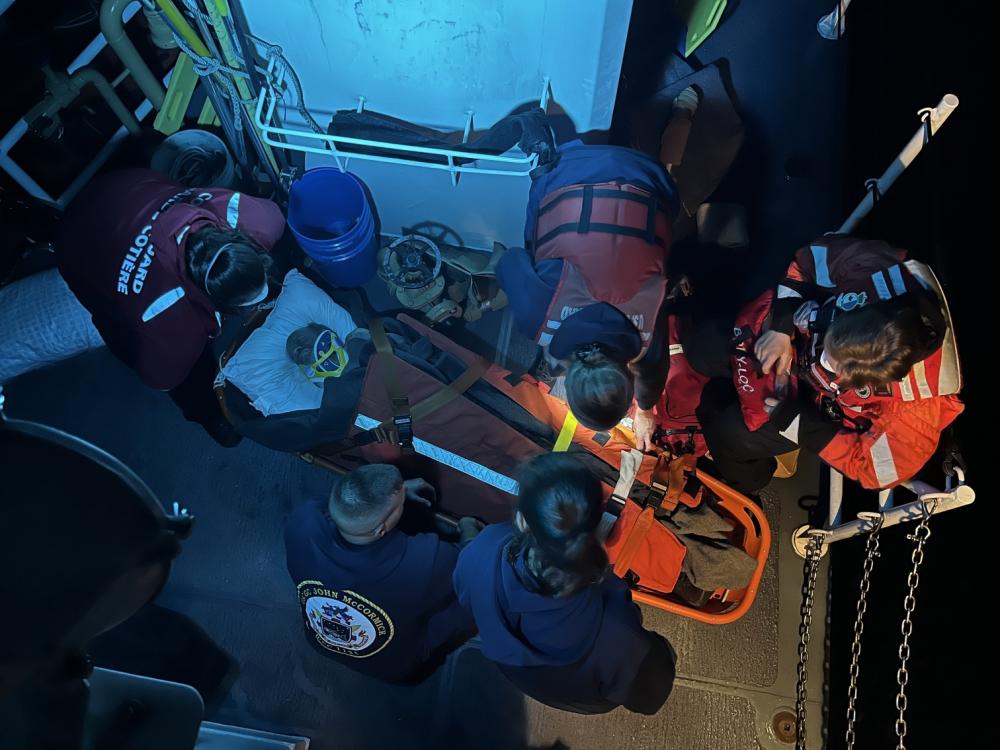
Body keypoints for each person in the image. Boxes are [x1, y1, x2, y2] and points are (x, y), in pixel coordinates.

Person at [693, 236, 963, 493]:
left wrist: (801, 424)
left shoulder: (917, 411)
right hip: (794, 341)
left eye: (836, 364)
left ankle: (759, 474)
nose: (828, 362)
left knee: (728, 436)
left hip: (817, 410)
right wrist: (782, 328)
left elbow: (877, 471)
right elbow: (806, 260)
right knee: (701, 346)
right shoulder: (872, 269)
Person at [56, 168, 286, 445]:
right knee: (181, 368)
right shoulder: (166, 312)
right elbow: (161, 378)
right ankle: (210, 415)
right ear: (216, 304)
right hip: (80, 242)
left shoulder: (255, 219)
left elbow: (274, 214)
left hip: (126, 184)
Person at [453, 453, 676, 714]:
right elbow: (650, 698)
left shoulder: (480, 550)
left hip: (522, 674)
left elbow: (466, 590)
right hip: (586, 694)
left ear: (523, 520)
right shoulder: (618, 630)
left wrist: (470, 536)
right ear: (599, 523)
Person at [496, 141, 679, 449]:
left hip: (652, 178)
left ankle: (682, 114)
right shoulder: (536, 319)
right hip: (567, 169)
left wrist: (646, 410)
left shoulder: (646, 340)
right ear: (568, 382)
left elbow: (654, 373)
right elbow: (509, 261)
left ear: (626, 372)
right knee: (532, 248)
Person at [284, 464, 481, 684]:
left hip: (320, 640)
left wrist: (395, 493)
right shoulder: (426, 559)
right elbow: (471, 562)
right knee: (476, 594)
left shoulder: (302, 519)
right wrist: (470, 532)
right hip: (394, 666)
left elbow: (351, 506)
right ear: (381, 529)